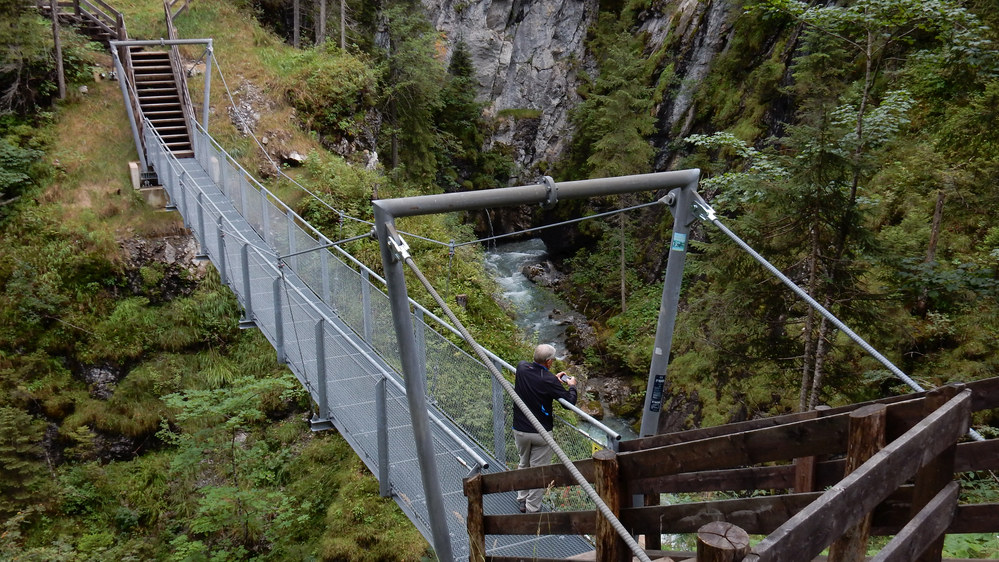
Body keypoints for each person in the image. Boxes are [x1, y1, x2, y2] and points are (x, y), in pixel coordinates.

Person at [512, 343, 577, 513]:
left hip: (519, 429)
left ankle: (522, 499)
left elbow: (536, 378)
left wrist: (551, 378)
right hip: (541, 432)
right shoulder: (548, 380)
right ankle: (533, 508)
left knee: (523, 463)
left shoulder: (521, 367)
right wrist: (572, 386)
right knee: (539, 471)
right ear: (549, 362)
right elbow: (568, 403)